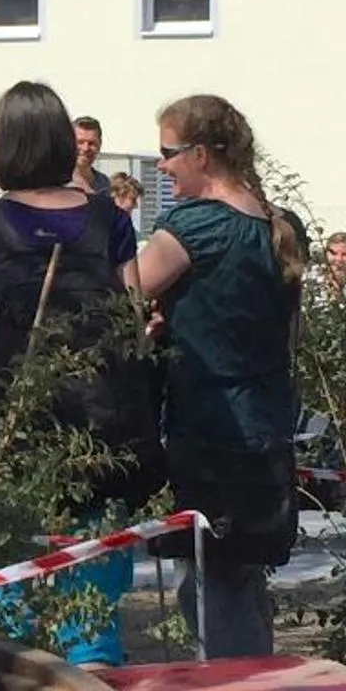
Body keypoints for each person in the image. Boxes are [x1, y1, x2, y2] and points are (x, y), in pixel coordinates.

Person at [0, 82, 145, 668]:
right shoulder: (108, 221)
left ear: (1, 146)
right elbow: (134, 320)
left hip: (12, 434)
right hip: (100, 433)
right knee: (90, 609)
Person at [129, 93, 307, 658]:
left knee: (213, 588)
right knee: (241, 578)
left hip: (212, 429)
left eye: (168, 152)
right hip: (266, 424)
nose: (161, 164)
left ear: (200, 154)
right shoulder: (277, 223)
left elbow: (122, 292)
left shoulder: (197, 226)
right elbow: (287, 332)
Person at [72, 115, 103, 193]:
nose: (86, 148)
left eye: (91, 143)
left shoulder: (104, 184)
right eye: (80, 142)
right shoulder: (55, 183)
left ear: (99, 145)